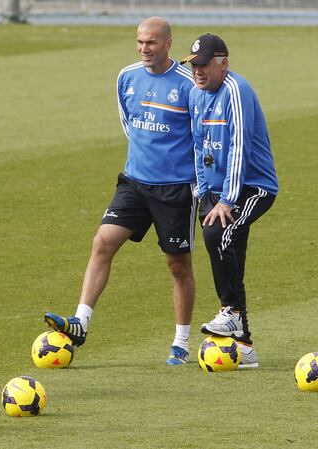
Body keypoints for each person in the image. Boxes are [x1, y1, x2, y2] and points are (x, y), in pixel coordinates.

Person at [44, 17, 197, 365]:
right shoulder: (126, 76)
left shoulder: (188, 84)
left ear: (168, 43)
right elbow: (131, 126)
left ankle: (181, 342)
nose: (144, 49)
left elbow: (198, 136)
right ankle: (81, 321)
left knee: (178, 266)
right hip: (134, 183)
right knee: (103, 242)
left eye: (152, 43)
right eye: (140, 42)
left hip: (175, 190)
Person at [180, 33, 278, 368]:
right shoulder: (195, 95)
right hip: (218, 191)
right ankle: (245, 346)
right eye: (195, 65)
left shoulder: (237, 91)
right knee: (229, 249)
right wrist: (203, 193)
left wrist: (227, 200)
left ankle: (232, 312)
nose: (199, 71)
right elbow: (199, 145)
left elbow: (239, 148)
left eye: (205, 64)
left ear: (224, 63)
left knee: (218, 234)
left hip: (254, 186)